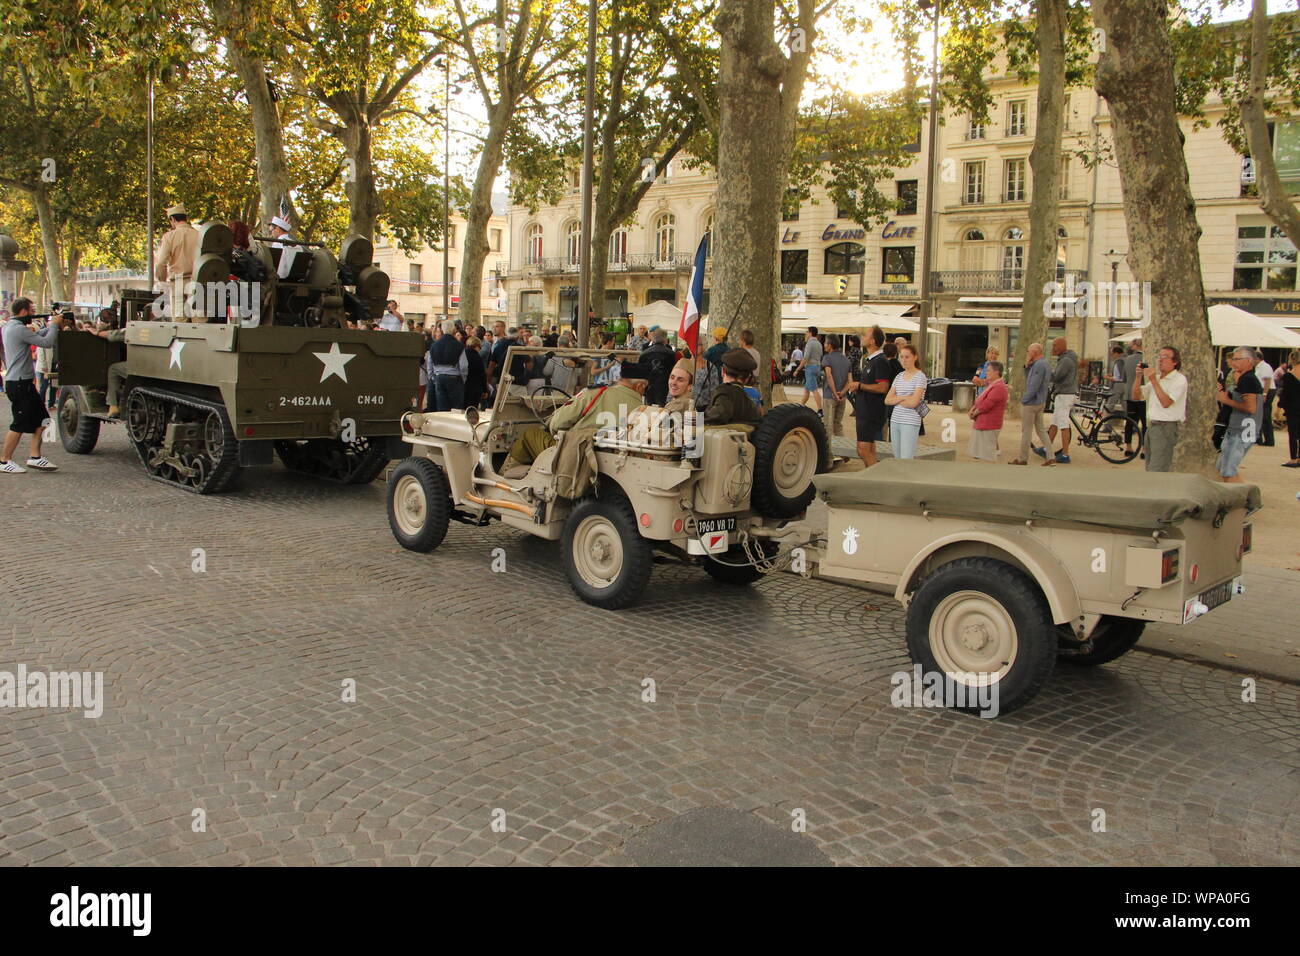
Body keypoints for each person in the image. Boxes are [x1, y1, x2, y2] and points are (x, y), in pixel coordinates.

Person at [503, 360, 653, 472]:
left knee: (530, 435)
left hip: (574, 454)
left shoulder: (595, 393)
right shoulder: (644, 410)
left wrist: (551, 426)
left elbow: (557, 423)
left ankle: (505, 479)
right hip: (612, 461)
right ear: (640, 386)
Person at [1, 299, 66, 473]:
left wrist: (51, 326)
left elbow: (37, 336)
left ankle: (35, 457)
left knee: (43, 419)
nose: (33, 313)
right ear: (23, 311)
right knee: (19, 423)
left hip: (22, 383)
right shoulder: (18, 329)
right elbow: (46, 343)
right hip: (19, 383)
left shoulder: (10, 326)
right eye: (31, 310)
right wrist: (53, 325)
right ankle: (4, 460)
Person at [1131, 345, 1187, 473]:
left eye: (1165, 357)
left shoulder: (1179, 380)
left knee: (1157, 469)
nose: (1160, 360)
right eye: (1159, 356)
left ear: (1175, 362)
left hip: (1166, 428)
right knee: (1150, 466)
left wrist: (1153, 380)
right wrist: (1138, 377)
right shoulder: (1156, 379)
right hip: (1152, 427)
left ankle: (1156, 492)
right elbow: (1136, 396)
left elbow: (1166, 402)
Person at [1216, 347, 1263, 483]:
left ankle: (1247, 498)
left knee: (1228, 472)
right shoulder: (1245, 379)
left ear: (1248, 361)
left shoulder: (1248, 379)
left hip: (1241, 432)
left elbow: (1250, 408)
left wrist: (1226, 400)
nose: (1233, 362)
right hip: (1239, 430)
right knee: (1223, 469)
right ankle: (1247, 497)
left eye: (1237, 359)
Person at [846, 325, 891, 467]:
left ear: (872, 341)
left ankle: (873, 479)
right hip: (865, 410)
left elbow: (883, 387)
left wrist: (860, 386)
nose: (862, 337)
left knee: (864, 449)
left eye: (865, 335)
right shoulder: (871, 360)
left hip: (871, 412)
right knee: (864, 449)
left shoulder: (880, 360)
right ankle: (871, 477)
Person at [155, 203, 200, 320]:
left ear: (173, 219)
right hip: (197, 282)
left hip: (178, 283)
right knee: (200, 324)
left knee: (180, 325)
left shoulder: (169, 237)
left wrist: (162, 281)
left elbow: (161, 263)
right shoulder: (199, 235)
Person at [884, 344, 927, 459]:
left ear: (915, 357)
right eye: (901, 357)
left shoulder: (920, 377)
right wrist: (905, 397)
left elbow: (914, 402)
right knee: (897, 456)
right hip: (895, 419)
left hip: (910, 421)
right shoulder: (899, 376)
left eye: (907, 357)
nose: (904, 360)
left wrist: (898, 398)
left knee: (906, 456)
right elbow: (887, 400)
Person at [1040, 337, 1078, 465]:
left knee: (1063, 424)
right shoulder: (1067, 358)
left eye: (1055, 345)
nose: (1053, 348)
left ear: (1062, 346)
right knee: (1055, 422)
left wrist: (1046, 371)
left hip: (1064, 394)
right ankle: (1047, 448)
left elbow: (1056, 377)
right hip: (1064, 394)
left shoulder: (1066, 360)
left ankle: (1065, 454)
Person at [1011, 342, 1051, 466]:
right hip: (1040, 401)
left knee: (1026, 432)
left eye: (1029, 351)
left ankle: (1023, 458)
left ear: (1034, 352)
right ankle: (1051, 456)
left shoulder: (1039, 365)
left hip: (1032, 402)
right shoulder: (1043, 363)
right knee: (1041, 430)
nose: (1027, 354)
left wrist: (1024, 400)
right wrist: (1027, 366)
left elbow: (1034, 385)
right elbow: (1030, 378)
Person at [704, 349, 762, 427]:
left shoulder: (723, 392)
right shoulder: (751, 405)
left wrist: (694, 419)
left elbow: (719, 415)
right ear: (748, 378)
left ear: (723, 371)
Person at [968, 361, 1008, 461]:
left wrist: (975, 413)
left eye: (989, 370)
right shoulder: (992, 385)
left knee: (987, 454)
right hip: (982, 424)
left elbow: (987, 404)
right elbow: (980, 400)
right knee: (979, 453)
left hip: (990, 424)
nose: (986, 373)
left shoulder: (999, 387)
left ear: (996, 372)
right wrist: (973, 409)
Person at [428, 319, 465, 411]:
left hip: (439, 377)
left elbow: (430, 363)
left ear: (442, 330)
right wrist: (463, 378)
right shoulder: (458, 345)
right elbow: (464, 365)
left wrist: (432, 377)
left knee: (442, 407)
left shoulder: (434, 345)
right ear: (454, 330)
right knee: (456, 408)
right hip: (454, 377)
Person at [821, 336, 852, 438]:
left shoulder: (827, 358)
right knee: (837, 424)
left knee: (827, 425)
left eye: (825, 343)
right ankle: (842, 449)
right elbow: (849, 381)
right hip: (842, 397)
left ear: (829, 345)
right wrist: (842, 392)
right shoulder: (846, 360)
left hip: (830, 396)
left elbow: (829, 376)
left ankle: (828, 451)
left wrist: (834, 393)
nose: (824, 345)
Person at [1120, 339, 1145, 455]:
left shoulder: (1127, 359)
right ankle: (1144, 449)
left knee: (1130, 421)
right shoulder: (1146, 359)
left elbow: (1124, 378)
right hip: (1143, 395)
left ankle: (1128, 447)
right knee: (1145, 423)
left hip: (1129, 395)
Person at [639, 328, 676, 406]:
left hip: (649, 388)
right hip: (665, 388)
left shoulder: (644, 354)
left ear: (653, 338)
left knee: (649, 412)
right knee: (662, 413)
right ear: (665, 339)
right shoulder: (671, 354)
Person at [1278, 350, 1300, 467]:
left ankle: (1293, 458)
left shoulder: (1288, 376)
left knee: (1292, 432)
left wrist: (1280, 405)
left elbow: (1285, 393)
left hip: (1292, 407)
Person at [795, 327, 824, 413]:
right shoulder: (819, 344)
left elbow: (805, 358)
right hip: (817, 367)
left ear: (810, 333)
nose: (806, 333)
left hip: (810, 367)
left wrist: (797, 369)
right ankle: (801, 406)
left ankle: (820, 410)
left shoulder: (809, 344)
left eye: (807, 332)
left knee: (814, 389)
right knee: (807, 389)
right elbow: (821, 355)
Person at [267, 215, 302, 281]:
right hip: (296, 280)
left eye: (271, 230)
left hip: (280, 279)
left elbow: (273, 264)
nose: (271, 233)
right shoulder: (298, 245)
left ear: (278, 229)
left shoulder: (277, 243)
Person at [1255, 353, 1275, 446]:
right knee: (1260, 415)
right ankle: (1259, 438)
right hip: (1262, 391)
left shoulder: (1265, 366)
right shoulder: (1258, 367)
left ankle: (1269, 440)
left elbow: (1267, 380)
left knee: (1265, 416)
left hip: (1267, 390)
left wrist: (1264, 394)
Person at [462, 335, 487, 409]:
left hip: (463, 386)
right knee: (472, 409)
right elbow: (482, 374)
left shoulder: (462, 354)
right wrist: (485, 390)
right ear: (477, 346)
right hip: (475, 387)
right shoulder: (477, 357)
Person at [1103, 345, 1126, 410]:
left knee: (1110, 403)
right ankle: (1130, 419)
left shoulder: (1118, 362)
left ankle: (1105, 419)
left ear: (1116, 353)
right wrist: (1112, 375)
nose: (1111, 356)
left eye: (1112, 354)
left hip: (1118, 385)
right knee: (1125, 404)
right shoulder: (1127, 359)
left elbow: (1117, 378)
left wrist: (1107, 378)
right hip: (1126, 384)